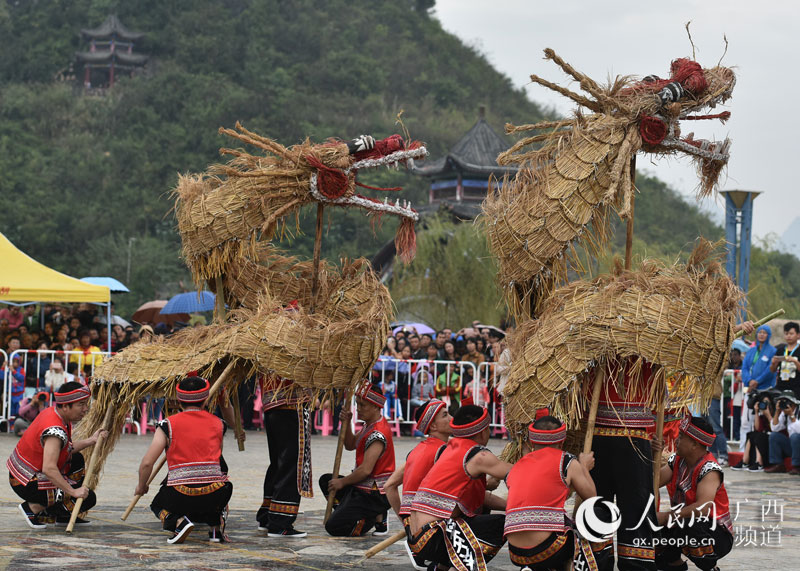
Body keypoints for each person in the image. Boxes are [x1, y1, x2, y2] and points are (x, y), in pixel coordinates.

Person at [408, 405, 510, 571]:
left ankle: (441, 567)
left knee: (479, 511)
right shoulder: (478, 455)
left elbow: (483, 498)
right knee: (504, 524)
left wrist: (510, 506)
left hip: (417, 538)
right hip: (434, 535)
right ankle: (459, 568)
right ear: (483, 431)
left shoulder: (450, 448)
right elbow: (519, 474)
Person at [135, 377, 235, 544]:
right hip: (215, 493)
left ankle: (179, 523)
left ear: (179, 400)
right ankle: (215, 529)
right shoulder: (220, 424)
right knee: (220, 490)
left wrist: (141, 486)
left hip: (179, 494)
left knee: (157, 504)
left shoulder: (167, 425)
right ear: (205, 400)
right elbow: (217, 460)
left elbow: (147, 463)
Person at [7, 382, 107, 528]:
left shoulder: (55, 413)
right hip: (26, 481)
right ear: (66, 406)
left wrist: (91, 440)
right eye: (81, 404)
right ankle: (33, 509)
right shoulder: (55, 431)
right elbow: (49, 469)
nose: (85, 409)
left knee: (77, 459)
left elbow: (67, 449)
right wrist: (73, 491)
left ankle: (63, 514)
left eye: (86, 404)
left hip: (25, 473)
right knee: (87, 498)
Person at [505, 416, 597, 570]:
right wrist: (584, 467)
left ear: (533, 442)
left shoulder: (518, 465)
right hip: (547, 550)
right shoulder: (566, 461)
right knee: (599, 519)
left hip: (515, 553)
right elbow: (592, 497)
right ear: (562, 441)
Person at [654, 417, 734, 571]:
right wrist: (653, 454)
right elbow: (653, 482)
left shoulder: (710, 470)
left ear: (695, 445)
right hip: (685, 522)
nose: (677, 440)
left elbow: (701, 509)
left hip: (716, 535)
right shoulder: (676, 460)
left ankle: (709, 566)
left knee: (686, 524)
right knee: (655, 527)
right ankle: (673, 563)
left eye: (682, 437)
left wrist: (666, 516)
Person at [319, 383, 396, 537]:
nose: (358, 408)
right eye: (357, 404)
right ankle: (354, 511)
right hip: (361, 488)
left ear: (375, 406)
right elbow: (349, 444)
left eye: (363, 405)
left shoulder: (378, 433)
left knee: (333, 527)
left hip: (374, 494)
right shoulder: (369, 425)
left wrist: (343, 482)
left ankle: (371, 518)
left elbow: (365, 470)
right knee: (326, 481)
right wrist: (346, 423)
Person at [384, 400, 451, 568]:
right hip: (427, 523)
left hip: (414, 523)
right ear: (433, 427)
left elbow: (389, 486)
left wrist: (406, 523)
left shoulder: (416, 450)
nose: (452, 417)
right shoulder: (443, 451)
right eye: (445, 415)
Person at [256, 374, 313, 538]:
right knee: (291, 463)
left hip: (272, 403)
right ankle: (280, 522)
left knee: (279, 462)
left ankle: (268, 515)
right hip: (291, 402)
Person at [764, 391, 800, 474]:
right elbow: (774, 428)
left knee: (795, 436)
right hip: (792, 446)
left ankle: (797, 466)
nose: (785, 404)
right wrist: (777, 411)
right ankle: (778, 464)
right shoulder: (784, 413)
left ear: (794, 403)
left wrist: (792, 415)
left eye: (787, 402)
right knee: (774, 436)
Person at [742, 325, 776, 390]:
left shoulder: (773, 351)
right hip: (750, 387)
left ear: (768, 335)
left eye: (764, 333)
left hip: (765, 388)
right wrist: (749, 380)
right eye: (760, 332)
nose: (761, 335)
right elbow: (745, 367)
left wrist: (757, 381)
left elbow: (770, 369)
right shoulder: (751, 350)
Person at [771, 322, 800, 398]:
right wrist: (773, 363)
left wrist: (795, 361)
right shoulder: (780, 349)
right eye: (786, 334)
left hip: (796, 388)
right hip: (781, 386)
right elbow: (773, 370)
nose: (788, 336)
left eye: (791, 333)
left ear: (798, 335)